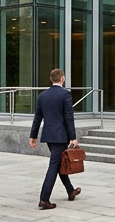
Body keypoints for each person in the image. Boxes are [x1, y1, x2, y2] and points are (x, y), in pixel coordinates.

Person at [29, 68, 81, 210]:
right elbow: (69, 118)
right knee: (54, 165)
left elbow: (38, 117)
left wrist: (33, 136)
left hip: (49, 136)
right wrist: (73, 137)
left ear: (51, 79)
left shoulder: (43, 95)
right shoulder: (66, 95)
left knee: (58, 162)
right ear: (62, 78)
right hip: (61, 136)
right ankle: (44, 199)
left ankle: (70, 191)